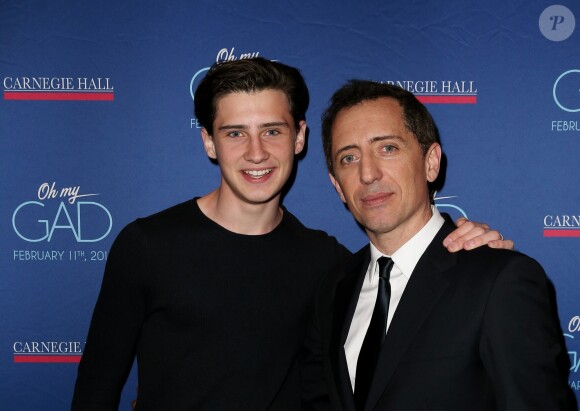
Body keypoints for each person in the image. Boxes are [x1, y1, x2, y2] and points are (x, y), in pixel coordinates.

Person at [71, 58, 510, 410]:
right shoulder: (147, 246)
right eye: (235, 133)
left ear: (299, 137)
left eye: (273, 131)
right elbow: (95, 389)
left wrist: (466, 244)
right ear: (209, 142)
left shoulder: (330, 264)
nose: (256, 152)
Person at [300, 80, 575, 410]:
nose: (368, 173)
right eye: (348, 158)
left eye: (387, 148)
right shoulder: (333, 288)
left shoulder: (499, 280)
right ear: (337, 186)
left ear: (431, 162)